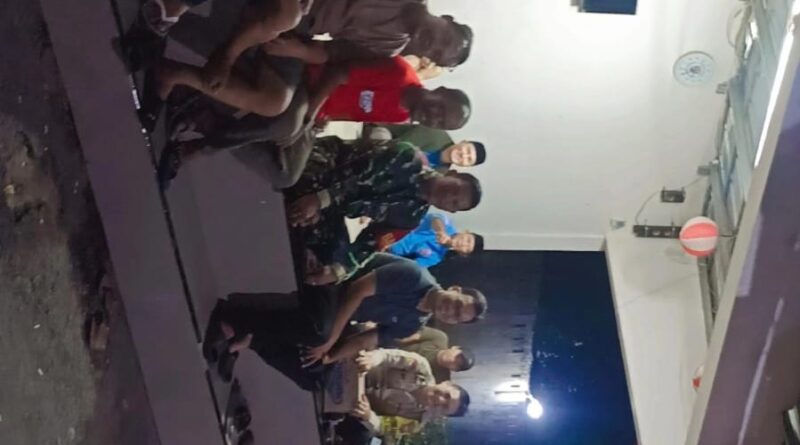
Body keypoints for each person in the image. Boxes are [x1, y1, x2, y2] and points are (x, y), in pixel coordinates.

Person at [201, 253, 488, 382]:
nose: (450, 311)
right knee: (320, 332)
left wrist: (330, 357)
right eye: (457, 304)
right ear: (455, 289)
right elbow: (357, 290)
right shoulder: (414, 276)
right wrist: (330, 341)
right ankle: (230, 319)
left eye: (457, 316)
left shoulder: (415, 324)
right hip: (335, 284)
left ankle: (252, 339)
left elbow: (368, 339)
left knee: (314, 374)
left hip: (339, 313)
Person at [286, 137, 482, 284]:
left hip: (332, 206)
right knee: (305, 188)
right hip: (329, 165)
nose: (448, 197)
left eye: (454, 203)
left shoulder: (411, 219)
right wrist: (319, 200)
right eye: (454, 189)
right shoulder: (409, 157)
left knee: (325, 263)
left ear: (450, 211)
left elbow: (372, 243)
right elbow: (353, 177)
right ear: (453, 173)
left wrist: (337, 270)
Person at [156, 55, 472, 127]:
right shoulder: (400, 73)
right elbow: (337, 72)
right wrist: (312, 111)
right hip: (312, 78)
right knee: (279, 117)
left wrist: (322, 120)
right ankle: (184, 82)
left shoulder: (401, 117)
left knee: (288, 173)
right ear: (440, 91)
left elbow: (354, 114)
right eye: (440, 109)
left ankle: (201, 116)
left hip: (317, 108)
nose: (433, 117)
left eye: (439, 123)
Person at [334, 349, 471, 444]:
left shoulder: (415, 422)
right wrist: (372, 360)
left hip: (356, 403)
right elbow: (389, 356)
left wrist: (368, 415)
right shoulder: (420, 366)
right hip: (358, 368)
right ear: (446, 383)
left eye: (444, 407)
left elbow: (384, 427)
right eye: (447, 395)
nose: (440, 400)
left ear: (441, 415)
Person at [384, 212, 484, 268]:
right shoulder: (447, 223)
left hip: (388, 249)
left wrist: (386, 254)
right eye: (468, 240)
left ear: (463, 254)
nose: (463, 244)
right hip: (391, 225)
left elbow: (412, 267)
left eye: (466, 248)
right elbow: (436, 218)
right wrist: (441, 231)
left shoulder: (436, 257)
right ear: (466, 231)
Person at [397, 327, 474, 382]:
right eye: (457, 357)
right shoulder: (439, 338)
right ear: (455, 347)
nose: (452, 360)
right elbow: (409, 336)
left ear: (454, 370)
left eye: (456, 364)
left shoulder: (441, 380)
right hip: (394, 348)